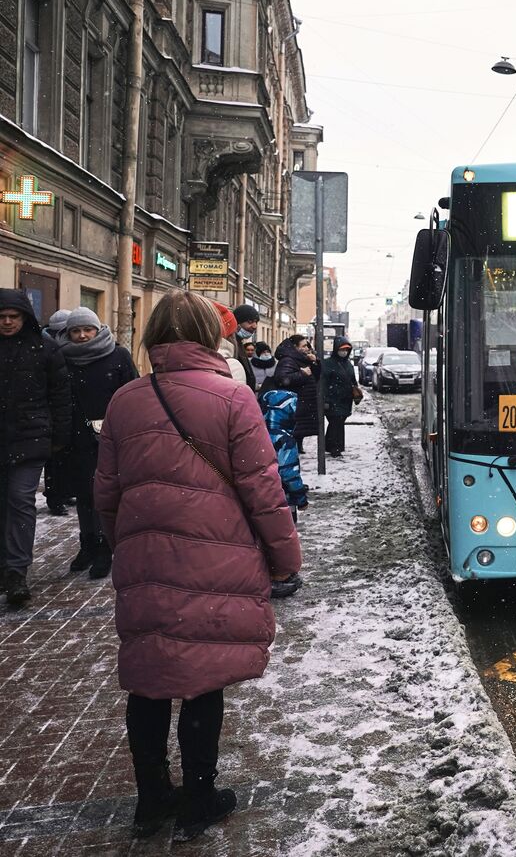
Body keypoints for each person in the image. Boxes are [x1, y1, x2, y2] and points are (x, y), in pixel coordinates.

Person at [94, 292, 302, 842]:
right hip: (218, 555)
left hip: (145, 556)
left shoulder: (125, 401)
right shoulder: (234, 398)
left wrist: (129, 544)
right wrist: (284, 558)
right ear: (213, 336)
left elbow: (106, 492)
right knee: (202, 679)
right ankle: (199, 797)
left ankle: (151, 801)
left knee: (149, 679)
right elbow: (263, 490)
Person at [0, 292, 72, 606]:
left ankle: (16, 571)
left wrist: (58, 438)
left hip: (30, 440)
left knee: (20, 501)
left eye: (12, 317)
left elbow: (60, 397)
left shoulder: (45, 350)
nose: (6, 322)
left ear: (24, 317)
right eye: (1, 316)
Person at [61, 307, 138, 579]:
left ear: (98, 329)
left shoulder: (117, 355)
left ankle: (106, 548)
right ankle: (88, 545)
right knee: (83, 494)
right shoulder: (63, 357)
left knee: (105, 494)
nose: (82, 336)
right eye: (76, 331)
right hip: (75, 438)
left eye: (87, 330)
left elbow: (133, 392)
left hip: (111, 437)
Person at [42, 309, 75, 516]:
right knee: (54, 461)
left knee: (60, 459)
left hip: (57, 410)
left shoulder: (54, 347)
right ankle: (56, 496)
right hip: (53, 412)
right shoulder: (52, 349)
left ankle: (60, 493)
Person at [260, 386, 309, 515]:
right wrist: (301, 498)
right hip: (281, 499)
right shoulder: (284, 440)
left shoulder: (254, 435)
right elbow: (289, 473)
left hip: (256, 495)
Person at [273, 335, 320, 454]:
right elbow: (282, 379)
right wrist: (302, 374)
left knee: (300, 427)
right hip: (295, 400)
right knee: (294, 427)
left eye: (307, 346)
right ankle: (293, 449)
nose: (306, 348)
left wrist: (315, 362)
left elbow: (318, 376)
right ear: (295, 347)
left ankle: (298, 446)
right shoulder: (288, 360)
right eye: (303, 346)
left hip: (302, 400)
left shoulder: (303, 359)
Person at [321, 336, 360, 458]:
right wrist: (325, 399)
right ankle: (335, 448)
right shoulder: (328, 364)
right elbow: (324, 383)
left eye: (346, 350)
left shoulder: (348, 364)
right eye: (342, 349)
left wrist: (355, 390)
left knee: (338, 422)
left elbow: (353, 379)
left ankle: (331, 445)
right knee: (336, 422)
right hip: (333, 399)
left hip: (345, 399)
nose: (344, 352)